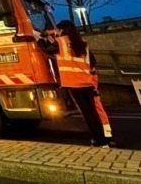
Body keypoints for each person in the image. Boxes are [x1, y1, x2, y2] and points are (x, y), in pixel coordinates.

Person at [38, 20, 115, 148]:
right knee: (93, 113)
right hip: (87, 82)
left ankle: (98, 140)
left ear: (62, 30)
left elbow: (46, 49)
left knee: (86, 114)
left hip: (74, 84)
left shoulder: (61, 42)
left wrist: (40, 39)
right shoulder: (82, 42)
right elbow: (92, 62)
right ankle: (104, 139)